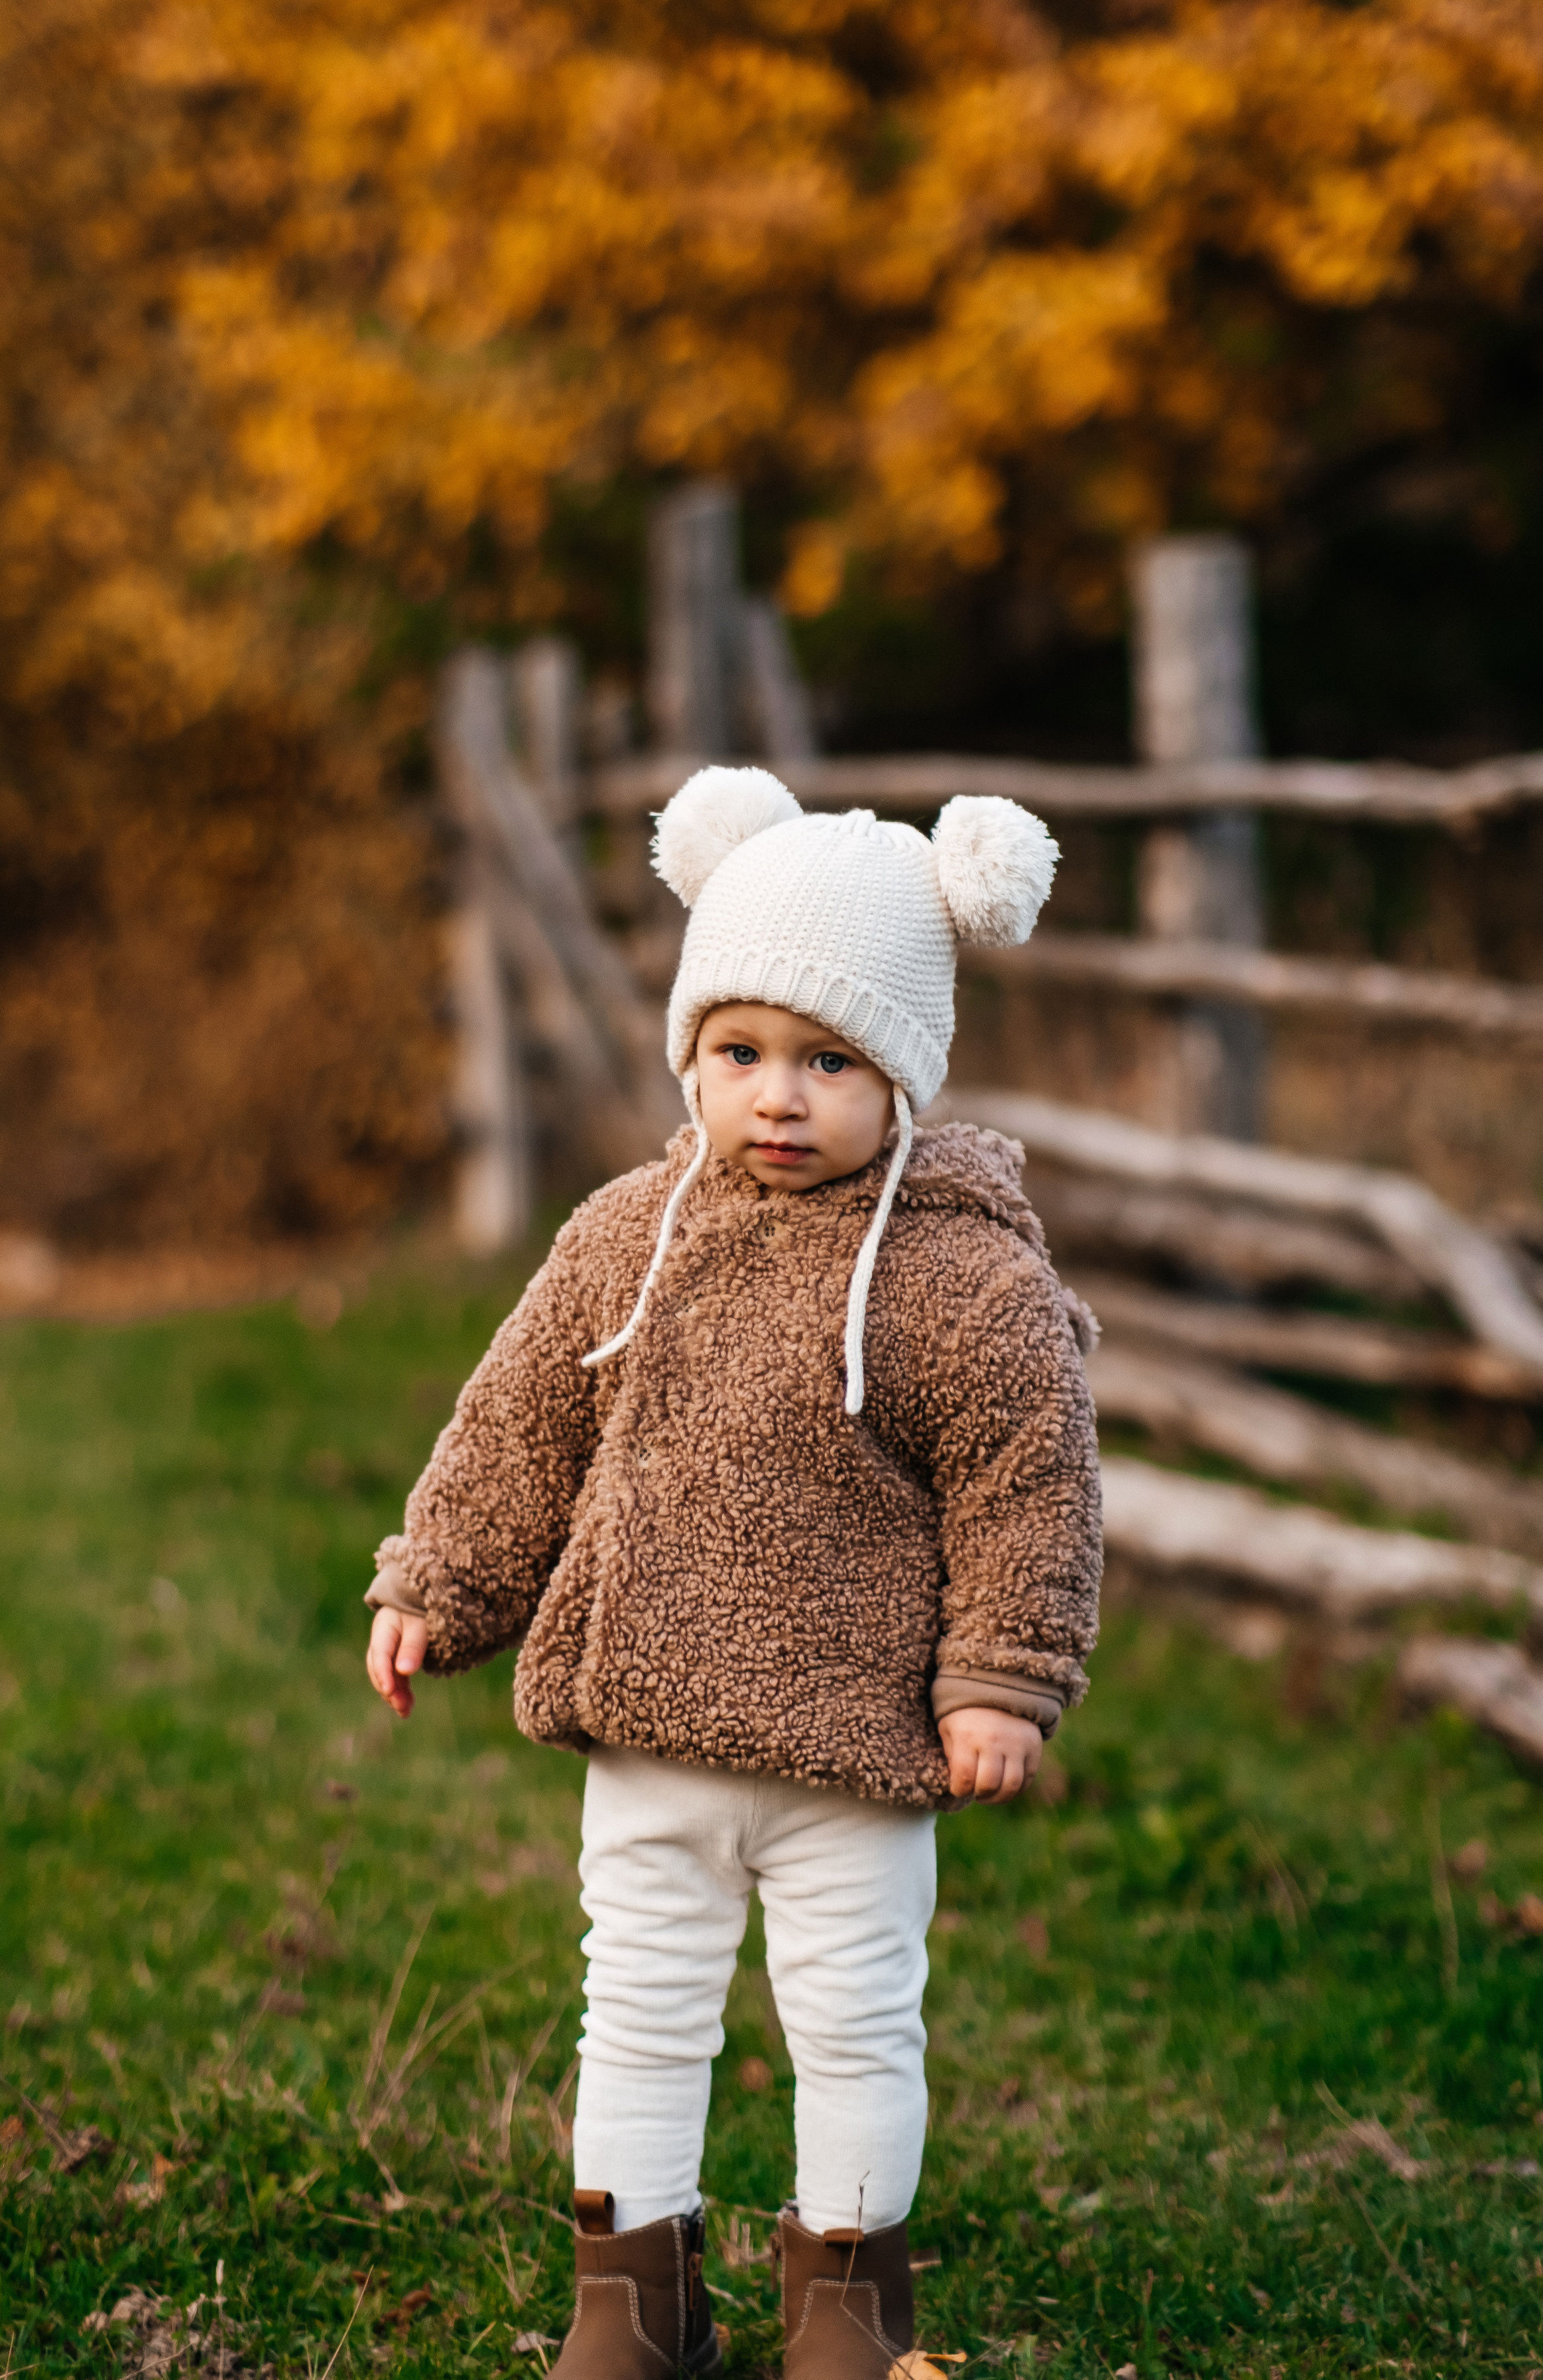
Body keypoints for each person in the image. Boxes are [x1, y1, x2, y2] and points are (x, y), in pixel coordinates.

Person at [365, 765, 1103, 2380]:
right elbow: (518, 1422)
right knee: (634, 2012)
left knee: (850, 2023)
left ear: (899, 1072)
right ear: (690, 1056)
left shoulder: (960, 1277)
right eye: (740, 1053)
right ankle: (631, 2315)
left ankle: (845, 2315)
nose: (777, 1096)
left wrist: (1000, 1679)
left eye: (828, 1061)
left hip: (854, 1749)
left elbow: (1026, 1492)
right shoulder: (628, 1232)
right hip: (646, 1729)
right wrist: (439, 1578)